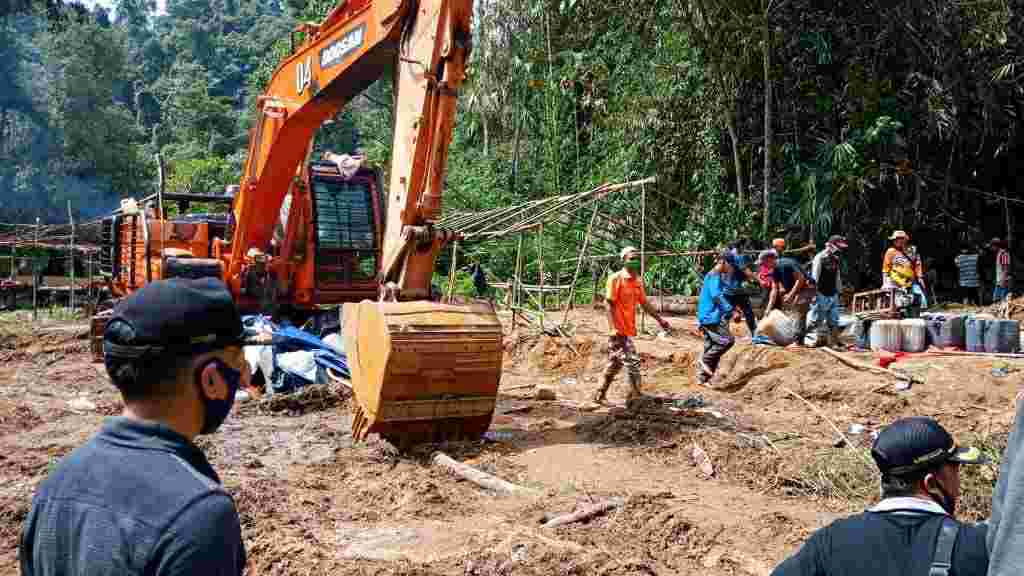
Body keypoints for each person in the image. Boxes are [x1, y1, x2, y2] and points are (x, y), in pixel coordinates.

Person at [20, 278, 248, 576]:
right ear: (211, 379)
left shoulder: (56, 483)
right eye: (238, 361)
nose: (243, 376)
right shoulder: (199, 515)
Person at [771, 416, 989, 576]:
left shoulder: (831, 541)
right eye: (955, 470)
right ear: (931, 484)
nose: (958, 482)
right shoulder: (978, 546)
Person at [593, 246, 672, 404]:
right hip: (618, 331)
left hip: (627, 329)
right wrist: (612, 328)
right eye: (631, 258)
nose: (634, 261)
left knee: (615, 363)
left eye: (636, 258)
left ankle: (599, 394)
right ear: (623, 260)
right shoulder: (615, 279)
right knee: (632, 360)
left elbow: (644, 303)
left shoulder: (637, 281)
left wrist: (660, 320)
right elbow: (608, 304)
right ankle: (635, 396)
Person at [697, 251, 737, 385]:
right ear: (723, 262)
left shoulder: (715, 276)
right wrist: (730, 310)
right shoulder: (714, 275)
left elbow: (722, 293)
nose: (730, 269)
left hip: (707, 316)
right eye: (730, 265)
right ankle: (706, 360)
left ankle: (703, 379)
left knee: (712, 346)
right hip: (711, 317)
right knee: (727, 340)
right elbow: (716, 296)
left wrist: (735, 308)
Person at [804, 235, 847, 347]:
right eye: (838, 246)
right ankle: (804, 338)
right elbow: (815, 276)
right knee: (816, 318)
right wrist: (814, 293)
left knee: (834, 319)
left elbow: (837, 276)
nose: (839, 249)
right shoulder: (820, 257)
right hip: (821, 292)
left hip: (833, 293)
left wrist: (839, 291)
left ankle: (833, 341)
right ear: (831, 245)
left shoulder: (836, 259)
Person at [764, 251, 811, 344]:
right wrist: (768, 308)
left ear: (770, 260)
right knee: (792, 312)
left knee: (799, 311)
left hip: (806, 287)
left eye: (763, 263)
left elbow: (801, 278)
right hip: (797, 289)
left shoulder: (786, 264)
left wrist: (791, 295)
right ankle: (793, 337)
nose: (763, 266)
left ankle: (798, 341)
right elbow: (774, 289)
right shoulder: (775, 270)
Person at [724, 242, 758, 337]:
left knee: (726, 312)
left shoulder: (727, 257)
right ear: (741, 247)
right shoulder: (739, 257)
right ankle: (754, 333)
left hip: (727, 288)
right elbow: (746, 271)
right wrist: (759, 280)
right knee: (748, 311)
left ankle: (722, 333)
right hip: (738, 289)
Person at [990, 237, 1011, 303]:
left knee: (1002, 300)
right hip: (999, 281)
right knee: (996, 300)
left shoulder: (1004, 254)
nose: (991, 248)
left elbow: (1006, 268)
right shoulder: (999, 254)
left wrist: (1003, 280)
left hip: (1003, 281)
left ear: (995, 246)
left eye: (992, 246)